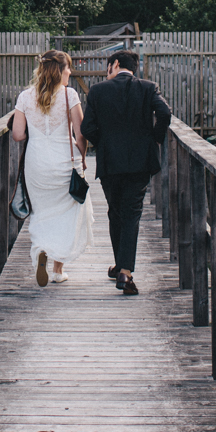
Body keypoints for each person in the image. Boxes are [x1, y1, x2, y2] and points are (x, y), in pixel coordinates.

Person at [80, 49, 171, 295]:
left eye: (107, 67)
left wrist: (104, 143)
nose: (105, 72)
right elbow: (165, 113)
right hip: (140, 162)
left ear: (115, 64)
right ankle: (124, 271)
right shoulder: (148, 87)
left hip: (110, 163)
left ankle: (121, 266)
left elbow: (86, 127)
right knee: (131, 213)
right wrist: (154, 139)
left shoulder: (97, 91)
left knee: (115, 212)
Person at [10, 49, 94, 287]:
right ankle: (57, 270)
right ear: (59, 70)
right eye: (68, 67)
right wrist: (84, 158)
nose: (70, 71)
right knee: (67, 213)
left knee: (41, 211)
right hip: (65, 164)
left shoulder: (25, 97)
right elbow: (81, 134)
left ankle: (41, 250)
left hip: (36, 164)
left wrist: (33, 132)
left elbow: (17, 135)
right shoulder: (70, 96)